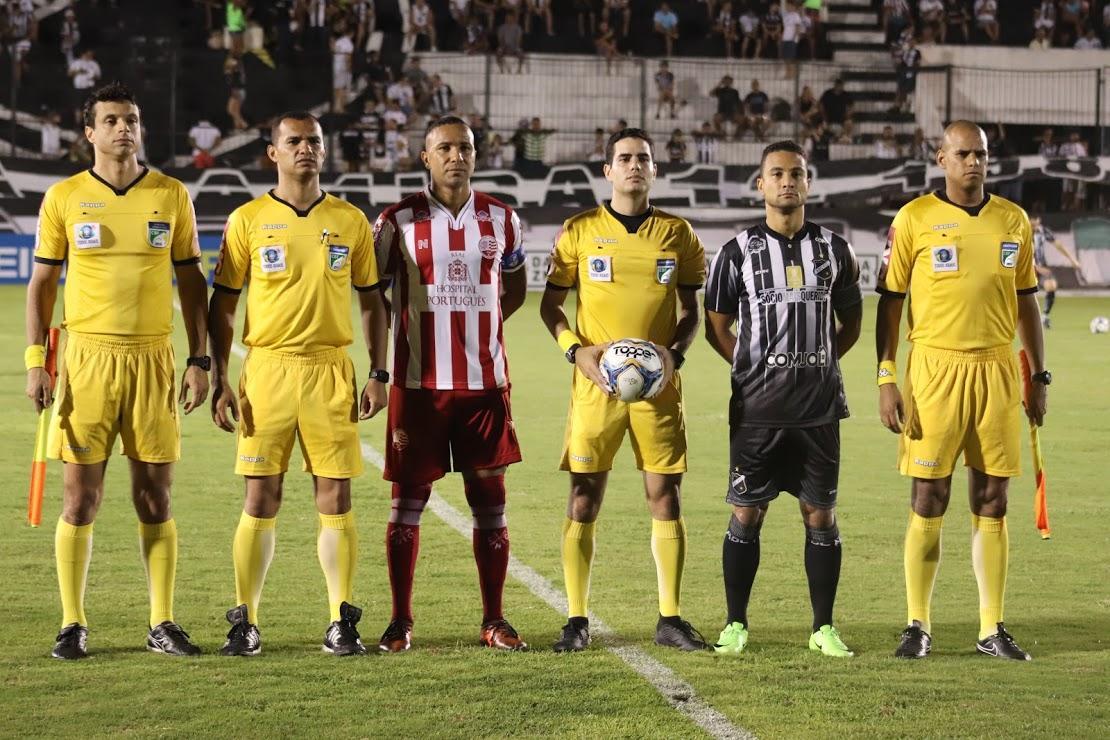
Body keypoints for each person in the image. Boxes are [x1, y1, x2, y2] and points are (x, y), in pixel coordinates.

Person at [26, 82, 209, 660]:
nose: (122, 129)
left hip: (153, 358)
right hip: (86, 359)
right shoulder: (64, 196)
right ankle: (72, 622)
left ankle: (162, 621)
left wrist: (200, 358)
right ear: (89, 132)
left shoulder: (171, 194)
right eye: (110, 121)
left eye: (130, 119)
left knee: (156, 497)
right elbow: (42, 284)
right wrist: (38, 362)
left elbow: (192, 281)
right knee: (81, 498)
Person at [209, 111, 389, 657]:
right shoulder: (247, 219)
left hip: (330, 369)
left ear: (324, 150)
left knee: (335, 493)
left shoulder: (352, 221)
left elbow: (372, 301)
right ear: (273, 153)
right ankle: (246, 620)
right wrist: (219, 376)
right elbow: (223, 303)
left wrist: (379, 371)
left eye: (313, 141)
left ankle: (341, 618)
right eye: (294, 142)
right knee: (262, 494)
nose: (305, 149)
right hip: (266, 370)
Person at [876, 120, 1046, 661]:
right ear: (941, 158)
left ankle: (991, 628)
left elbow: (1027, 302)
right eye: (964, 153)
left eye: (982, 154)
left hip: (997, 370)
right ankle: (917, 624)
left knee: (993, 499)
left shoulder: (1013, 220)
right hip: (934, 371)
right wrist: (886, 376)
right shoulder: (915, 219)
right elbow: (891, 300)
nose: (974, 162)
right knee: (930, 495)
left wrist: (1037, 375)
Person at [540, 128, 708, 653]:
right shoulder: (579, 230)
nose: (634, 166)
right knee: (584, 494)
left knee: (665, 494)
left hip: (658, 389)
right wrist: (575, 350)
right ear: (608, 170)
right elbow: (550, 306)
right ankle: (575, 618)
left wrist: (675, 355)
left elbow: (690, 312)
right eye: (624, 159)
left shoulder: (677, 234)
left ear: (655, 170)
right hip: (596, 388)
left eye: (643, 159)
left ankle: (670, 618)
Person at [372, 116, 529, 654]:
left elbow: (514, 289)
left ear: (476, 154)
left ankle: (494, 619)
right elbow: (373, 293)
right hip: (418, 387)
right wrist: (416, 326)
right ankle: (400, 621)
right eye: (445, 148)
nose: (456, 156)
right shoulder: (397, 220)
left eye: (464, 147)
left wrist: (476, 332)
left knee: (491, 502)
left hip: (486, 386)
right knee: (406, 504)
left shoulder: (502, 219)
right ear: (425, 156)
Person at [704, 140, 862, 658]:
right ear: (761, 185)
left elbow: (852, 320)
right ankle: (735, 624)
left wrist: (819, 361)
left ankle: (823, 628)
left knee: (821, 515)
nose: (787, 182)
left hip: (818, 411)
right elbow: (717, 327)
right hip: (758, 413)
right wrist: (752, 369)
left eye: (796, 173)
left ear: (808, 182)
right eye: (777, 174)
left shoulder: (836, 250)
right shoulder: (736, 253)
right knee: (746, 514)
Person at [1030, 215, 1084, 328]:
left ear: (1039, 221)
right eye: (1032, 225)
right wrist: (1035, 267)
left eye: (1036, 224)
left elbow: (1058, 245)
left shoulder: (1042, 231)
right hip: (1025, 267)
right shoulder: (1021, 231)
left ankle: (1044, 316)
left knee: (1052, 286)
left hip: (1041, 266)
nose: (1034, 227)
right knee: (1024, 294)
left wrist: (1073, 260)